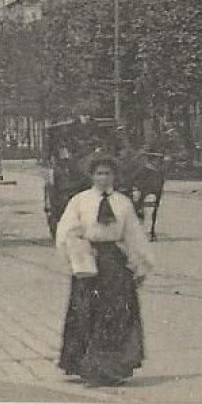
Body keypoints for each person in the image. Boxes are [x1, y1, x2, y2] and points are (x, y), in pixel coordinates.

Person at [56, 153, 152, 387]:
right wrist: (76, 254)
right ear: (92, 176)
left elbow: (133, 234)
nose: (103, 178)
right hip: (88, 260)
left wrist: (141, 264)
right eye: (99, 173)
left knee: (115, 313)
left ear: (114, 176)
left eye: (107, 173)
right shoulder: (80, 201)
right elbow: (66, 231)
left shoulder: (122, 203)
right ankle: (84, 363)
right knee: (87, 311)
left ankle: (112, 367)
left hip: (114, 262)